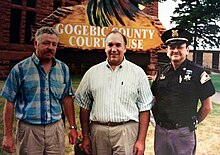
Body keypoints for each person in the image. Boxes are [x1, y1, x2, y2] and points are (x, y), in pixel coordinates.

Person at [74, 29, 154, 155]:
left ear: (125, 48)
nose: (114, 49)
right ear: (105, 48)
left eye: (118, 45)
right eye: (110, 45)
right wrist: (85, 135)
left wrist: (141, 140)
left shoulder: (138, 73)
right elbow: (84, 106)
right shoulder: (92, 73)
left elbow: (145, 108)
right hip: (98, 132)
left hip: (126, 132)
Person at [1, 26, 78, 154]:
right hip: (29, 130)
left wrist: (72, 127)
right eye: (46, 43)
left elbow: (67, 98)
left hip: (55, 129)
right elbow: (9, 102)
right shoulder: (20, 69)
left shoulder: (63, 69)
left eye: (54, 44)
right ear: (36, 44)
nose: (51, 47)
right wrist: (7, 135)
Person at [151, 28, 216, 155]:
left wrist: (191, 123)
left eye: (180, 47)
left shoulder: (198, 73)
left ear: (187, 50)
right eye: (171, 47)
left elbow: (207, 107)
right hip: (161, 132)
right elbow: (155, 99)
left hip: (183, 134)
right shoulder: (162, 72)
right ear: (167, 51)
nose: (175, 50)